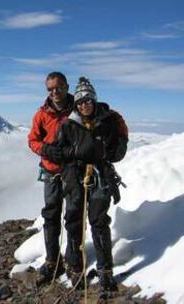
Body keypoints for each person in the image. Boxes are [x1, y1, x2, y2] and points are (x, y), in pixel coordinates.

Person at [55, 77, 128, 293]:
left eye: (87, 100)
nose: (84, 104)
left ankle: (105, 271)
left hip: (99, 176)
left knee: (98, 222)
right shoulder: (69, 124)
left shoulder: (108, 121)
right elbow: (58, 151)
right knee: (74, 221)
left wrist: (104, 153)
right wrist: (75, 153)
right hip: (75, 177)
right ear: (76, 104)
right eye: (80, 102)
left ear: (94, 100)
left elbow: (117, 151)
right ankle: (75, 268)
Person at [27, 71, 74, 284]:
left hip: (74, 171)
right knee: (51, 216)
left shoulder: (78, 109)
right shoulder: (41, 115)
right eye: (50, 89)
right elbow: (32, 140)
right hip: (51, 171)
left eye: (58, 87)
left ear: (66, 86)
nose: (55, 92)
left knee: (74, 216)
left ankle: (73, 261)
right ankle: (52, 261)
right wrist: (46, 149)